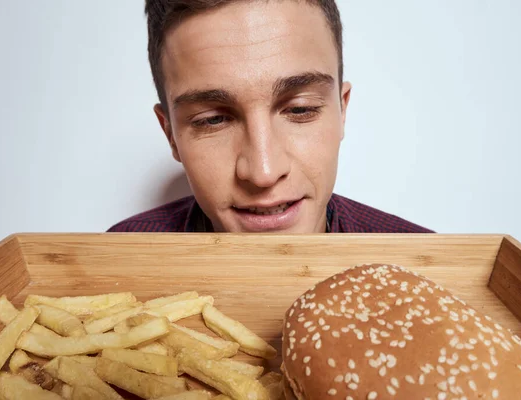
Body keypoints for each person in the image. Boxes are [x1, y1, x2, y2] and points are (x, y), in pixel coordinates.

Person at [108, 0, 432, 234]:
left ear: (342, 109)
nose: (263, 173)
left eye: (300, 109)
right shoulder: (113, 259)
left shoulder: (429, 269)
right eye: (213, 119)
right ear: (170, 135)